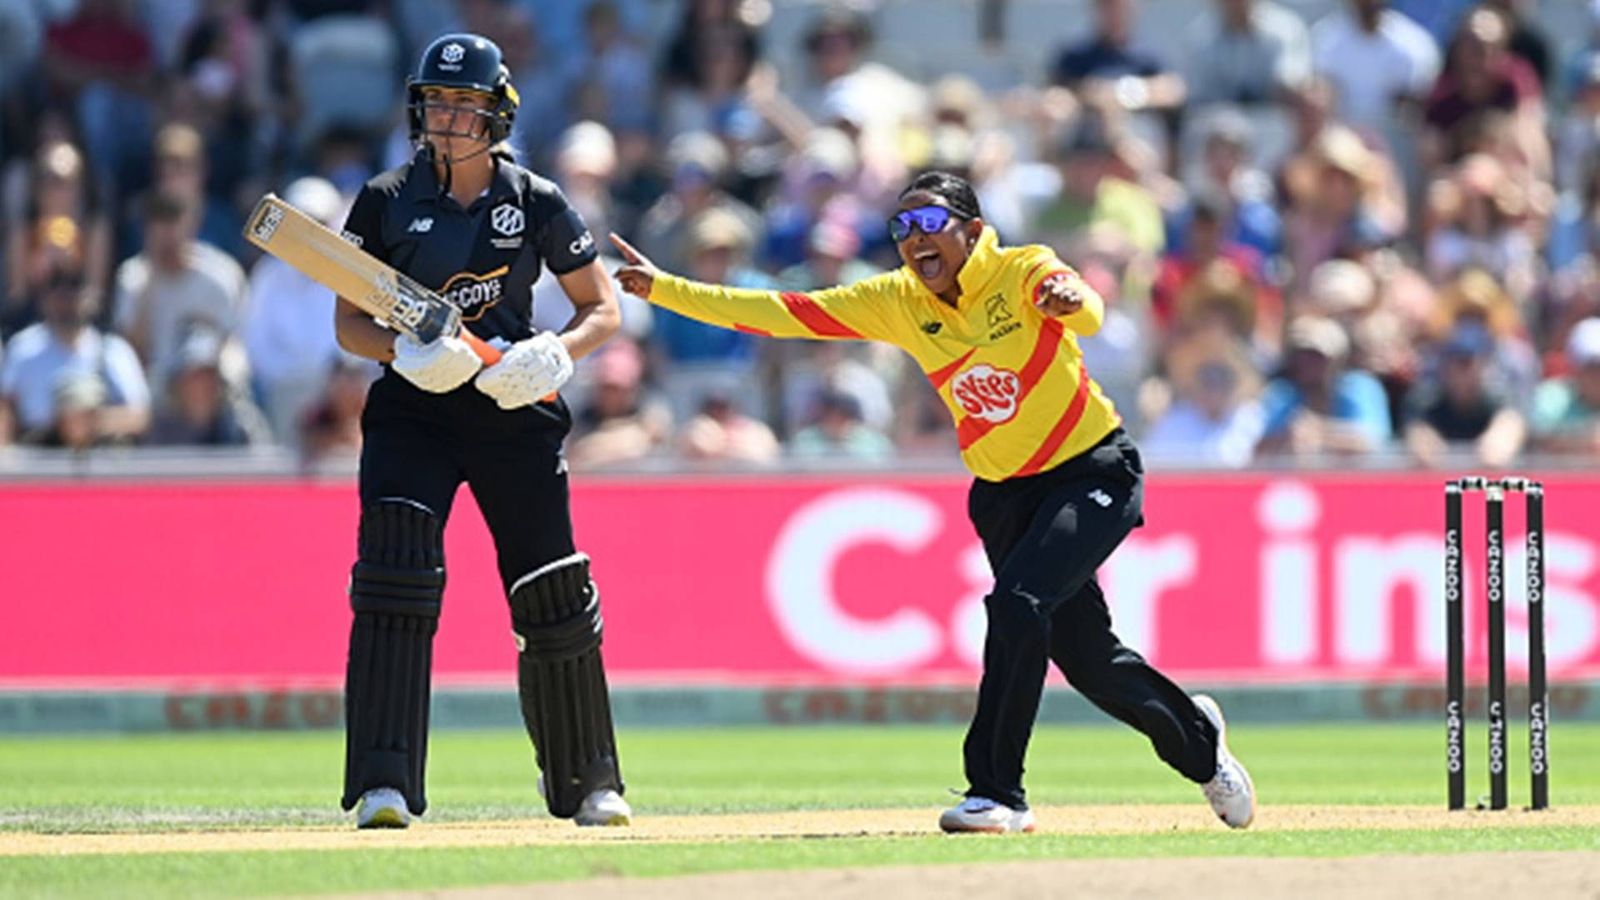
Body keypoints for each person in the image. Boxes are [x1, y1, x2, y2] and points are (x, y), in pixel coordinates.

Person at [611, 171, 1255, 833]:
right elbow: (784, 312)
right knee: (1088, 658)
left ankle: (997, 791)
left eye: (928, 223)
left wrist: (1070, 301)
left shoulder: (1019, 269)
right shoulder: (898, 298)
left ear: (971, 231)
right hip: (1005, 496)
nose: (913, 239)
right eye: (900, 227)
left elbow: (1084, 307)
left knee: (1017, 603)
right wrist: (664, 290)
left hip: (1091, 471)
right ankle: (1199, 743)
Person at [329, 33, 628, 831]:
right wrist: (403, 352)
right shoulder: (385, 200)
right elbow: (349, 322)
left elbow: (605, 309)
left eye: (465, 105)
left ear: (498, 115)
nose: (449, 119)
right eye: (437, 103)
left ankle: (588, 781)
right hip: (415, 410)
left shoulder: (536, 199)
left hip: (510, 405)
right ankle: (383, 784)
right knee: (395, 574)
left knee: (551, 588)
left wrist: (555, 355)